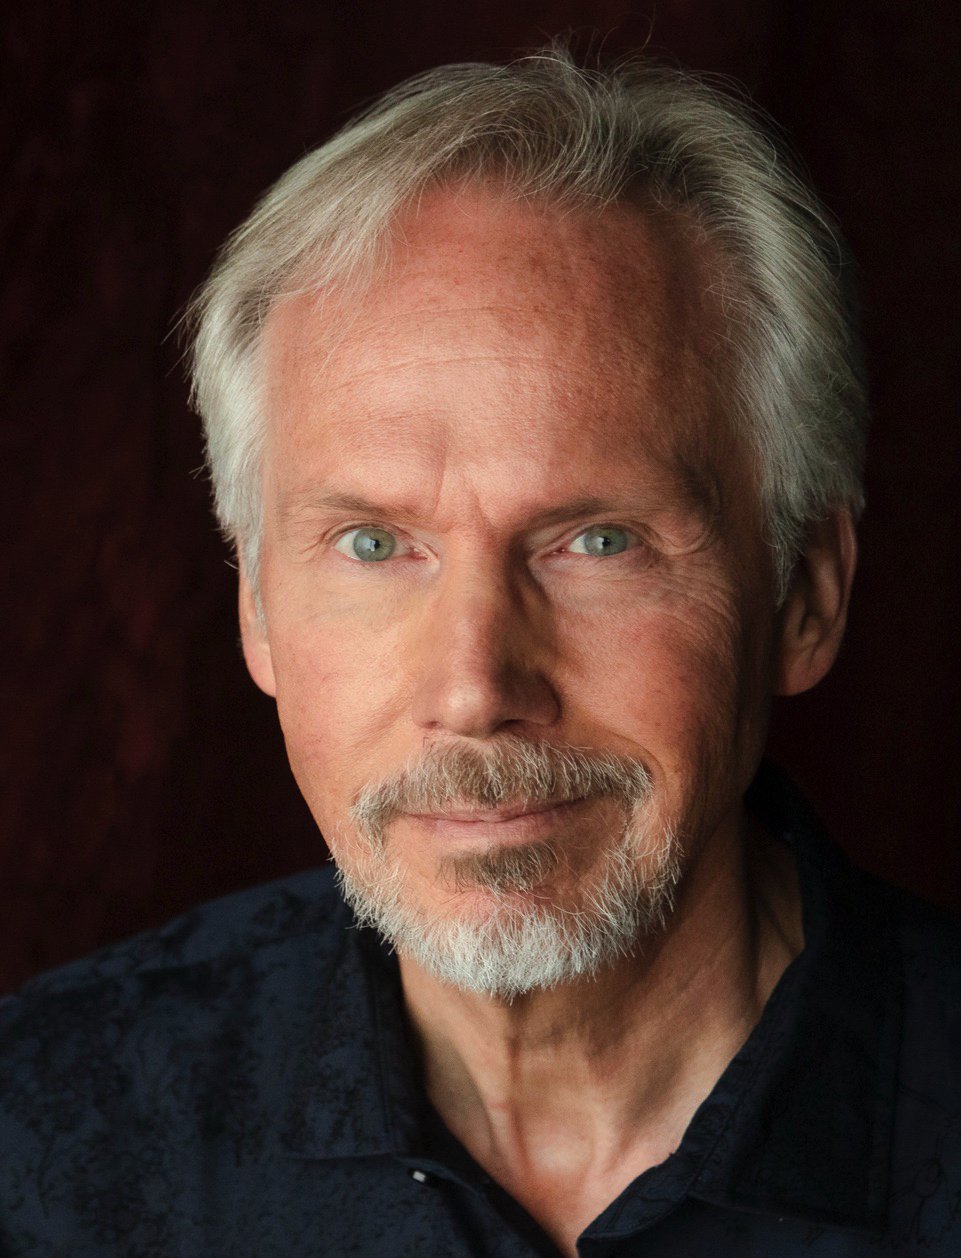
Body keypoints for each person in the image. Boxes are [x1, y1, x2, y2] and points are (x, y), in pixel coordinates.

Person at [2, 47, 959, 1258]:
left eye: (595, 540)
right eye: (370, 542)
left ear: (805, 596)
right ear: (253, 608)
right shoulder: (45, 1144)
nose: (473, 687)